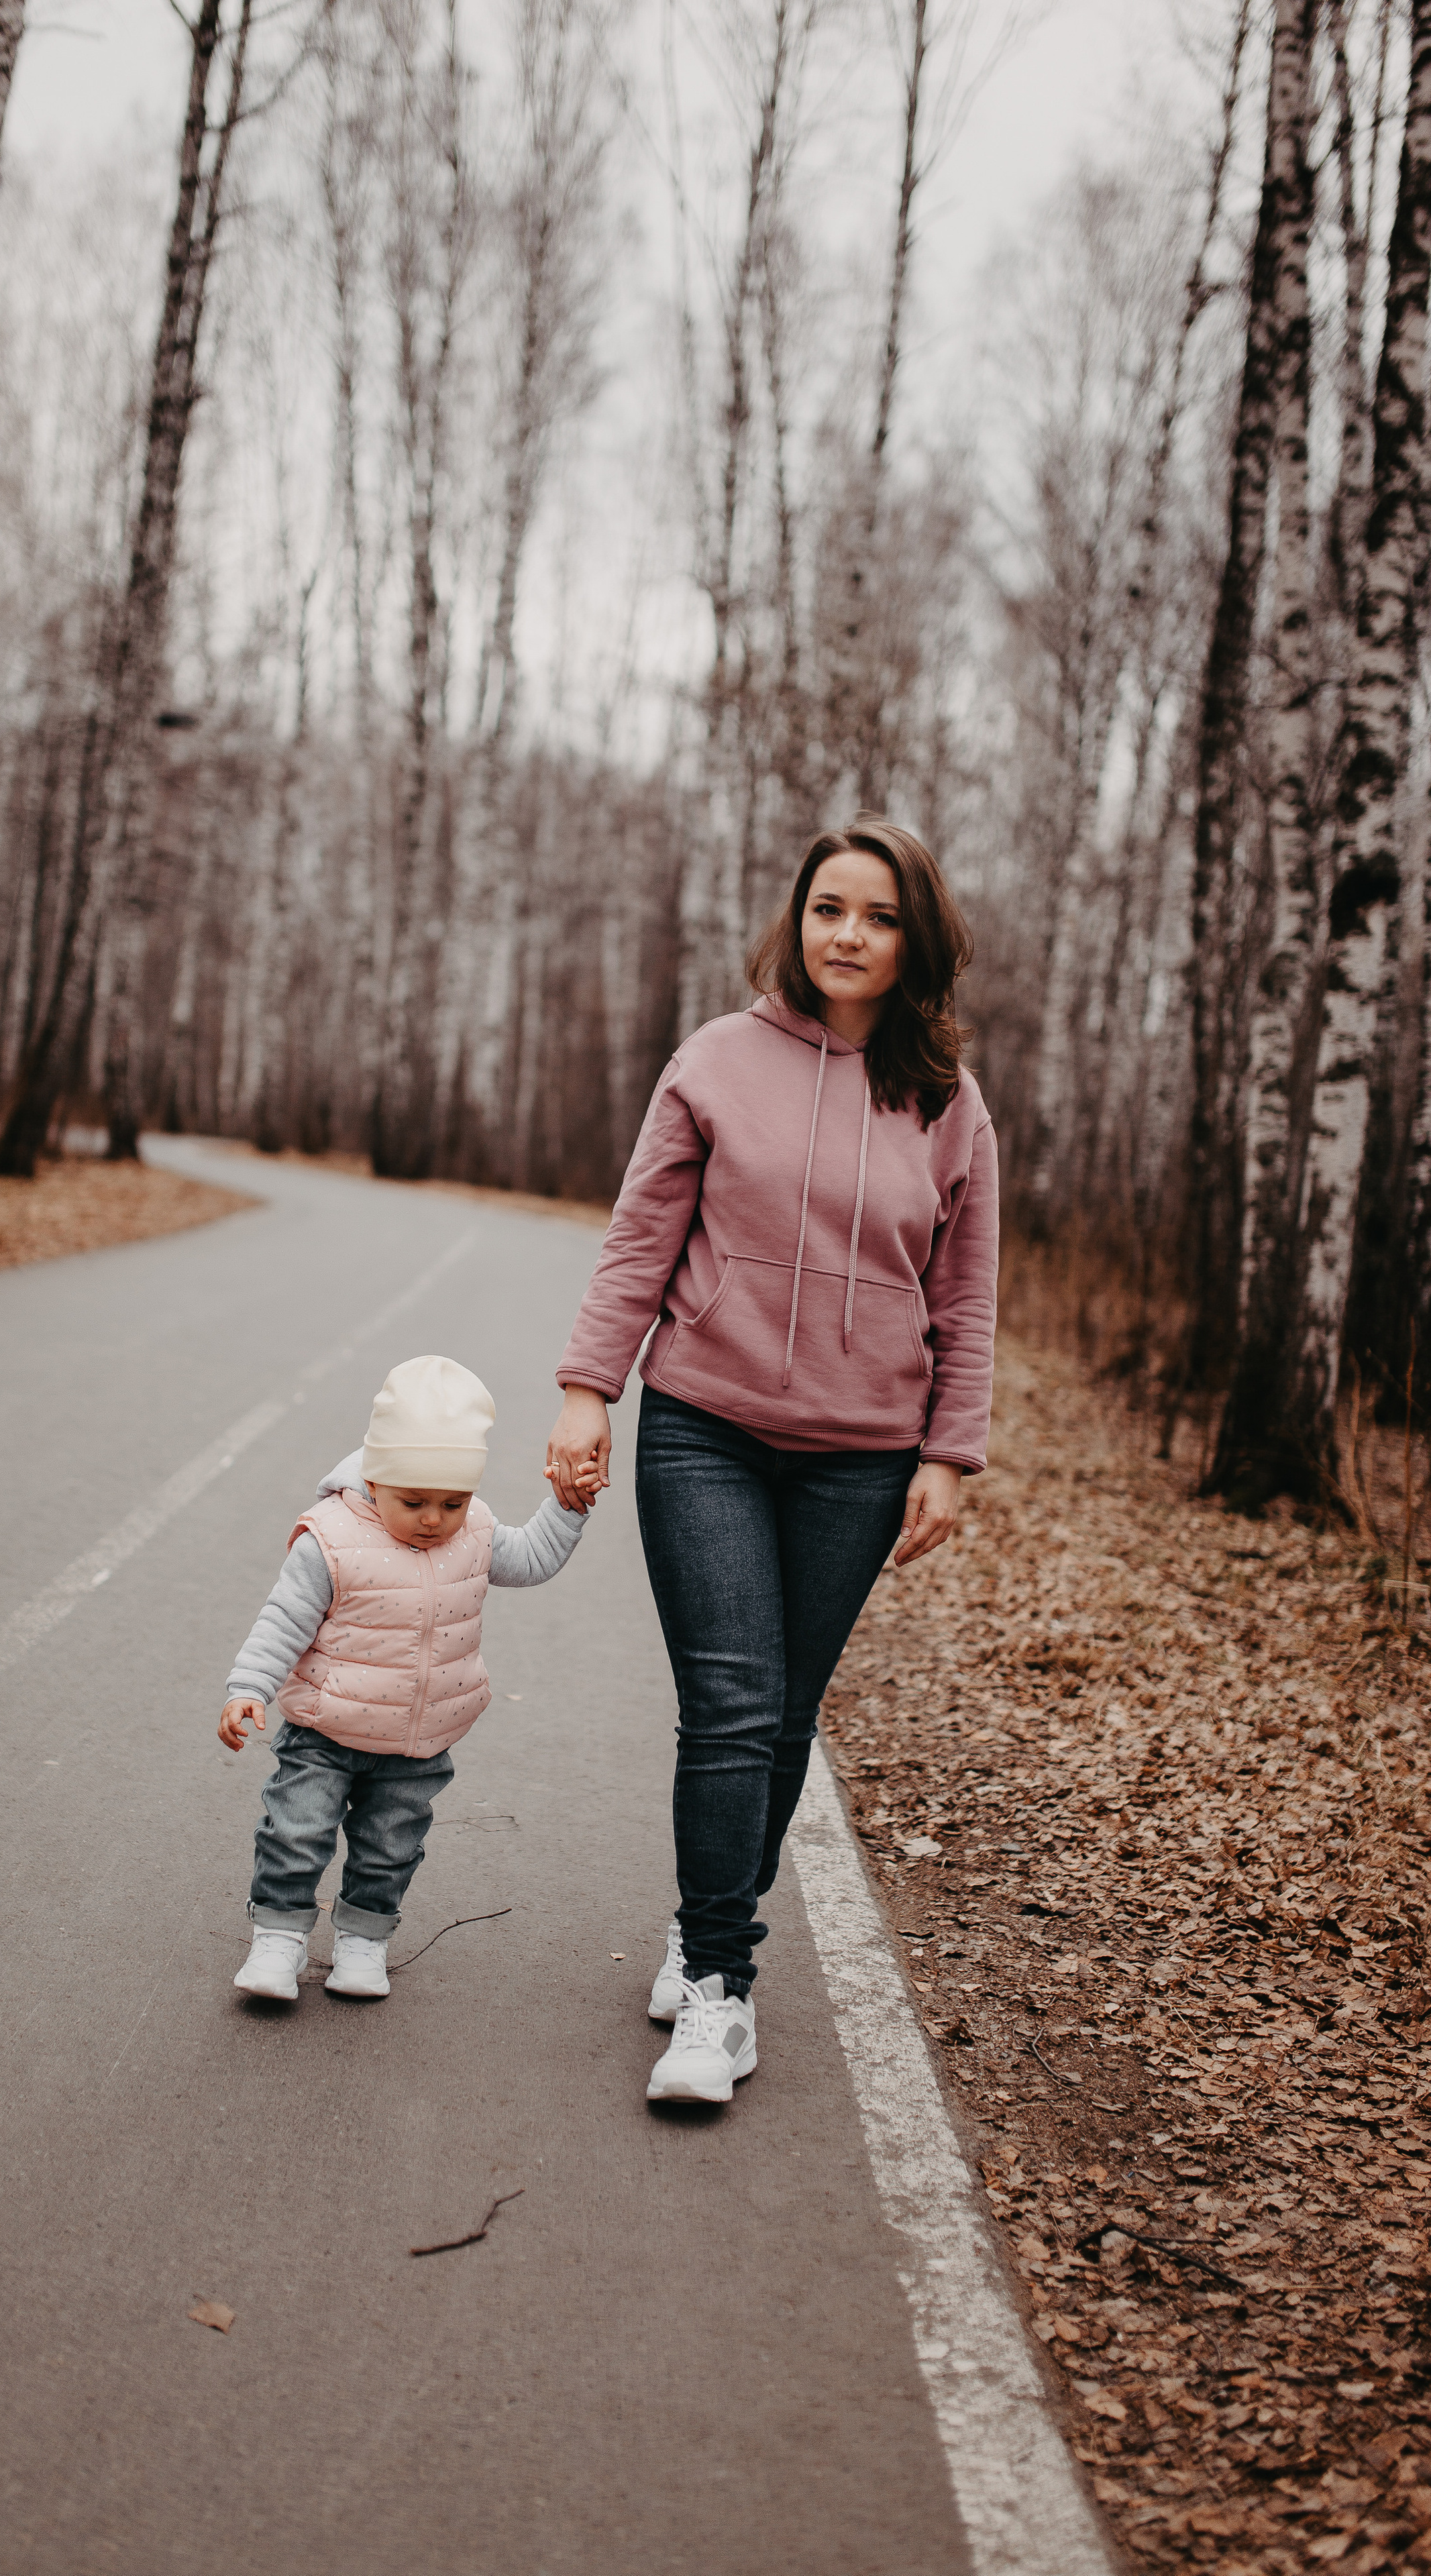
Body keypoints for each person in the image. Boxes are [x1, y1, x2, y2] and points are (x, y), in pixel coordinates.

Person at [546, 816, 998, 2106]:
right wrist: (589, 1392)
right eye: (827, 909)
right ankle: (722, 1996)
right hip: (707, 1427)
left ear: (918, 940)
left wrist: (949, 1455)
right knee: (735, 1703)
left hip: (863, 1456)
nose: (847, 934)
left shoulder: (947, 1104)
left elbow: (966, 1297)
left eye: (879, 915)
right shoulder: (716, 1062)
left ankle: (704, 1925)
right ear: (796, 922)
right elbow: (641, 1240)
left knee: (787, 1711)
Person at [221, 1353, 597, 2003]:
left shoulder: (473, 1531)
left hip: (418, 1742)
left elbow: (533, 1559)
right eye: (414, 1501)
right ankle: (278, 1940)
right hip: (325, 1729)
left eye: (451, 1502)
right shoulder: (331, 1539)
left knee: (390, 1846)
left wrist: (569, 1507)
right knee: (297, 1831)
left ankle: (364, 1943)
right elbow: (282, 1622)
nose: (433, 1518)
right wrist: (248, 1689)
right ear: (376, 1478)